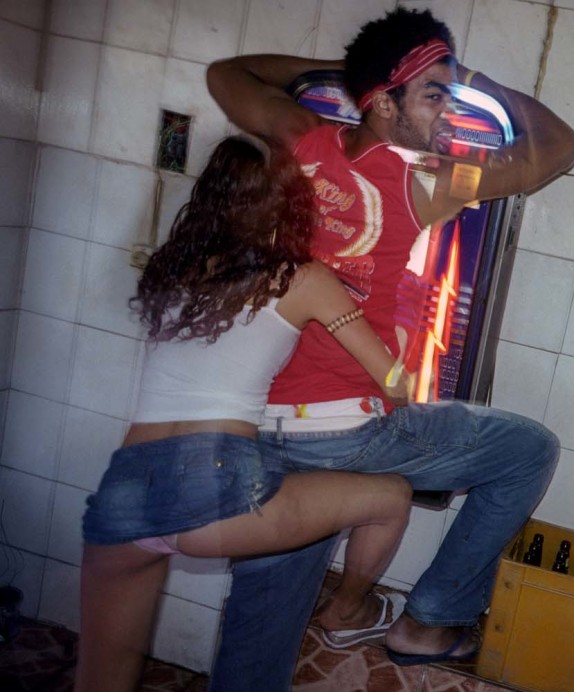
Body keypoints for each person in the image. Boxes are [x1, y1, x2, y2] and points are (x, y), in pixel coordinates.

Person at [204, 6, 574, 687]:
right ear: (382, 103)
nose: (449, 107)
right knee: (530, 450)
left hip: (260, 420)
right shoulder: (425, 182)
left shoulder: (298, 136)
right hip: (347, 432)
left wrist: (336, 73)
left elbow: (227, 74)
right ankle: (428, 619)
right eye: (435, 93)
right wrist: (479, 80)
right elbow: (558, 148)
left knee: (260, 631)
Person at [74, 137, 416, 692]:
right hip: (215, 487)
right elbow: (393, 381)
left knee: (99, 682)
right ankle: (349, 612)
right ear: (291, 203)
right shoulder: (303, 277)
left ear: (214, 194)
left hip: (125, 488)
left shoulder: (174, 267)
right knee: (393, 496)